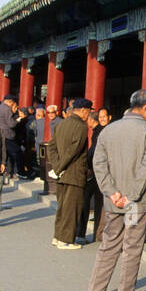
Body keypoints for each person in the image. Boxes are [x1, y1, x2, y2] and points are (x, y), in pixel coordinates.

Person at [85, 90, 146, 291]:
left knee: (109, 242)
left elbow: (98, 164)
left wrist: (112, 191)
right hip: (137, 201)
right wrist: (131, 196)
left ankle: (94, 290)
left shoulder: (109, 130)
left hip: (113, 200)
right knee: (132, 247)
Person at [47, 98, 91, 250]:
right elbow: (73, 151)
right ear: (84, 111)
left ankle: (58, 236)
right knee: (72, 208)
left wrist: (56, 166)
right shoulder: (81, 126)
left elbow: (51, 147)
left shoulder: (61, 124)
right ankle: (66, 240)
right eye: (89, 112)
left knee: (62, 207)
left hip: (61, 173)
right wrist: (60, 167)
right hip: (74, 172)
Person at [79, 109, 104, 241]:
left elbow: (94, 151)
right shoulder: (97, 131)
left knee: (85, 200)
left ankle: (82, 233)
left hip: (95, 171)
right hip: (96, 170)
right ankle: (97, 234)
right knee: (97, 202)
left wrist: (88, 165)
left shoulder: (100, 132)